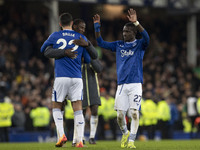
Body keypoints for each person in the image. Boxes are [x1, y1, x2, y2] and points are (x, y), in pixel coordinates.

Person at [93, 8, 149, 148]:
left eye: (127, 31)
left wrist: (136, 22)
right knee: (119, 115)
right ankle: (125, 133)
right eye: (123, 31)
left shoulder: (140, 44)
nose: (124, 34)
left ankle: (131, 141)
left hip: (135, 83)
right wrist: (97, 26)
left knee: (135, 113)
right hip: (122, 85)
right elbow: (100, 43)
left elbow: (147, 37)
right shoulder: (119, 45)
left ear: (134, 32)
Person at [43, 19, 102, 146]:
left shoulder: (57, 36)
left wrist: (63, 52)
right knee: (77, 108)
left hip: (62, 77)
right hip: (77, 78)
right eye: (80, 27)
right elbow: (89, 58)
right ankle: (77, 139)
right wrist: (85, 47)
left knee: (58, 106)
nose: (82, 30)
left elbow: (45, 50)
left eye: (84, 28)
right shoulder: (81, 38)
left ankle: (69, 137)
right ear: (73, 25)